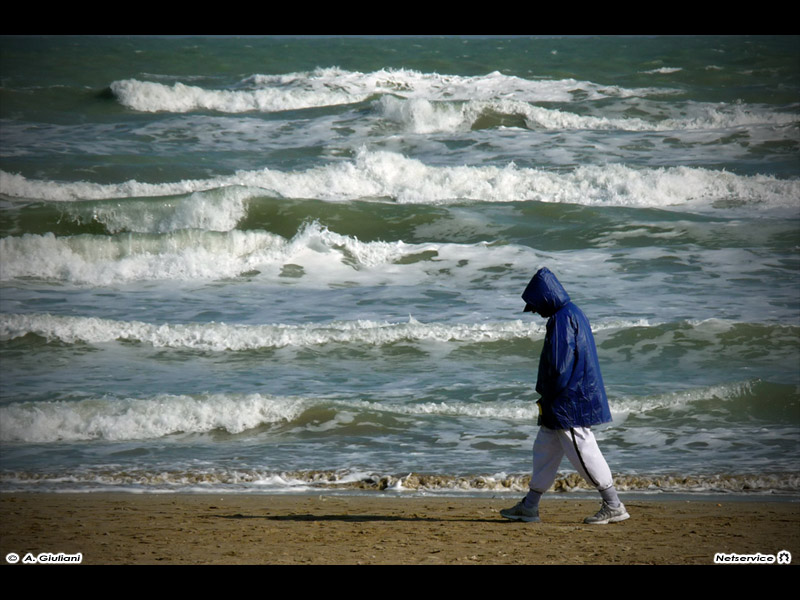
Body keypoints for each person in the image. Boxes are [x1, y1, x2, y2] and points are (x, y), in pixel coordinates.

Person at [500, 267, 629, 525]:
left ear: (546, 297)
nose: (535, 311)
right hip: (567, 398)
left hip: (569, 402)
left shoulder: (561, 319)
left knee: (583, 449)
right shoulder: (572, 313)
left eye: (535, 305)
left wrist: (549, 396)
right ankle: (530, 506)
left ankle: (613, 504)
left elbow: (560, 367)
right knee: (545, 449)